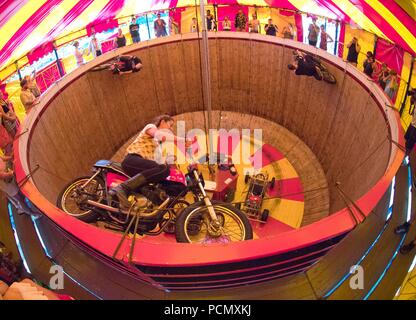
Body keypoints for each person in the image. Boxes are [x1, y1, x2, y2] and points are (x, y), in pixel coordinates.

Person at [110, 115, 192, 208]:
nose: (171, 128)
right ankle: (122, 187)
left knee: (161, 177)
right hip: (132, 160)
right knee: (163, 169)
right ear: (162, 122)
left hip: (142, 170)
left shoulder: (158, 146)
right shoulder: (151, 127)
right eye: (170, 125)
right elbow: (160, 135)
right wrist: (182, 140)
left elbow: (159, 165)